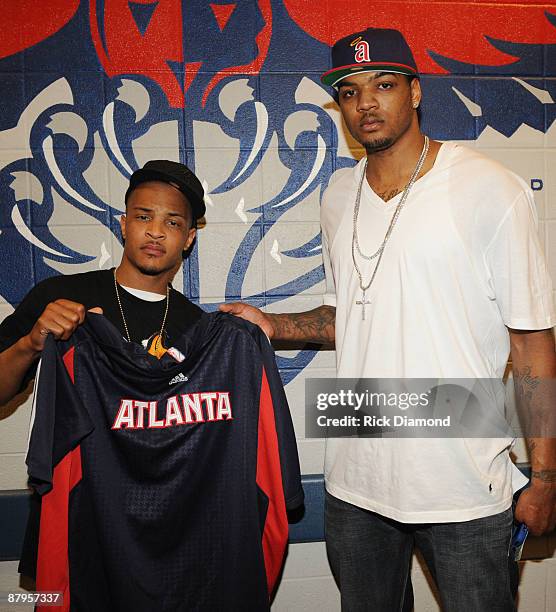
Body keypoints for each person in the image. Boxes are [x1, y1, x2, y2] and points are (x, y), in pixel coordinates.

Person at [220, 28, 556, 611]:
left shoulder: (488, 188)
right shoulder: (336, 193)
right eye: (349, 91)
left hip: (463, 485)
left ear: (416, 92)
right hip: (355, 482)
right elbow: (351, 313)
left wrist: (547, 475)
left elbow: (531, 344)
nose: (366, 102)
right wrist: (272, 324)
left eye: (384, 84)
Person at [0, 159, 205, 406]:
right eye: (143, 217)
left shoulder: (197, 328)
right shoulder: (59, 296)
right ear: (124, 225)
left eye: (172, 222)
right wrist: (30, 345)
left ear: (188, 238)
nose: (155, 231)